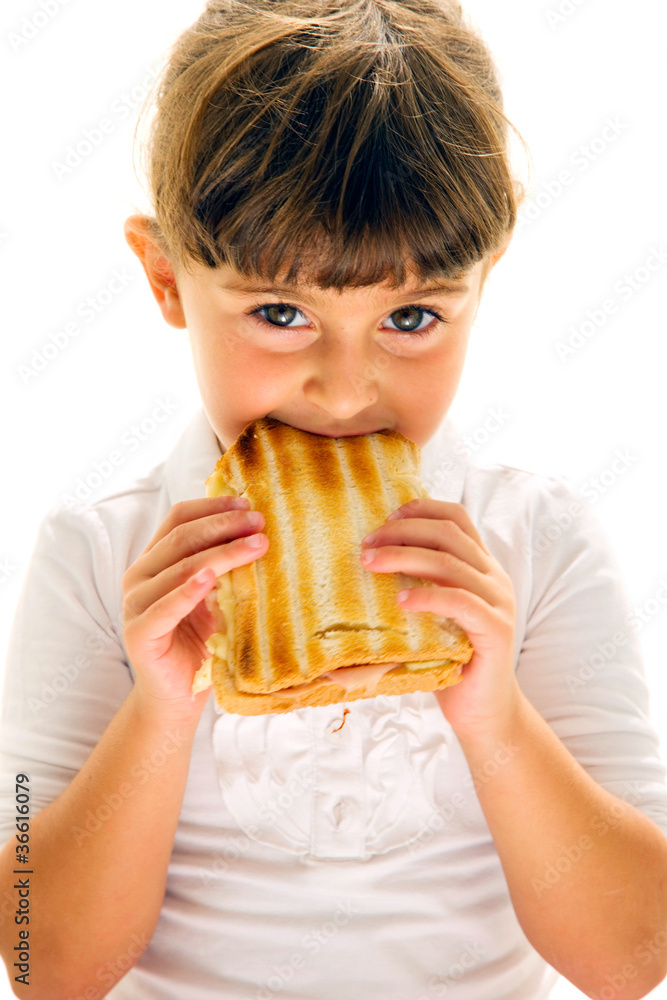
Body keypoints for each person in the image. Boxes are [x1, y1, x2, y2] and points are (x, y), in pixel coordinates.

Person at [1, 1, 667, 998]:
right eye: (279, 313)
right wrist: (161, 713)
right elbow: (38, 958)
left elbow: (633, 956)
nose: (345, 388)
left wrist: (491, 716)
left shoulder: (538, 547)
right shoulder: (98, 560)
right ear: (166, 279)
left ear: (484, 283)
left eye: (410, 316)